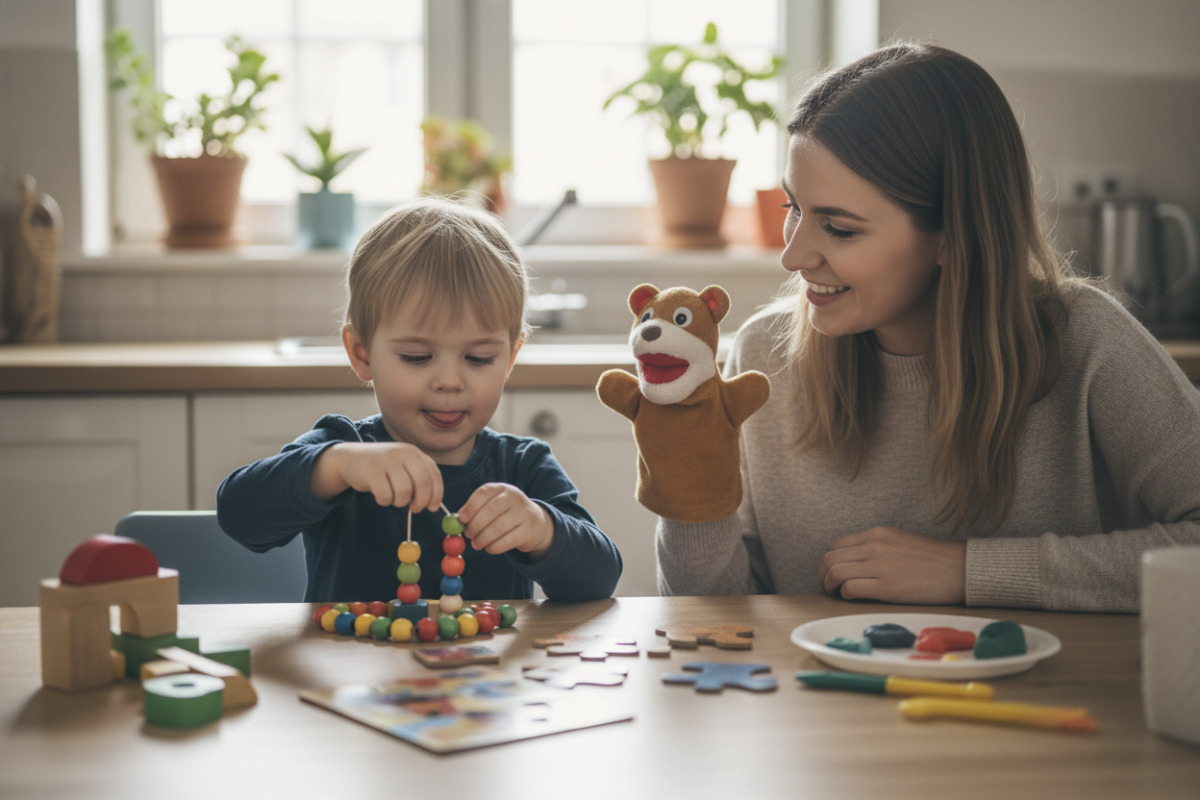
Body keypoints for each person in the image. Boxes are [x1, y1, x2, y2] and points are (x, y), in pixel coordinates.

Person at [655, 42, 1200, 613]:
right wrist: (690, 486)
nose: (792, 257)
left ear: (951, 236)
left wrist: (971, 571)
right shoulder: (766, 357)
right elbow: (716, 617)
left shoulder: (1086, 341)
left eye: (838, 228)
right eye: (794, 207)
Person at [218, 198, 622, 603]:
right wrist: (336, 467)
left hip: (490, 668)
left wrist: (542, 529)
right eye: (417, 357)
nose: (449, 382)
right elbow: (239, 516)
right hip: (355, 666)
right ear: (362, 353)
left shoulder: (523, 467)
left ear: (509, 359)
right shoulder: (343, 451)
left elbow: (601, 578)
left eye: (479, 358)